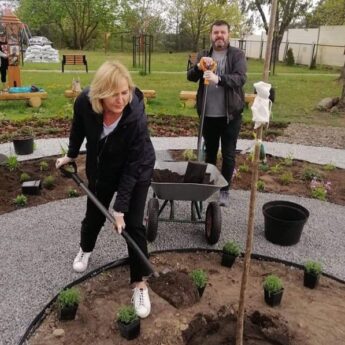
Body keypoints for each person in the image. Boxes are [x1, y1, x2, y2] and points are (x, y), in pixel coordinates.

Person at [55, 60, 155, 318]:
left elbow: (133, 166)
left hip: (137, 167)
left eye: (125, 92)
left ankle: (140, 282)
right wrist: (72, 154)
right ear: (100, 93)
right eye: (114, 94)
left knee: (133, 224)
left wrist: (120, 208)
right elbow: (78, 128)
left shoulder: (135, 116)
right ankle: (86, 249)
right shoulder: (85, 103)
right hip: (102, 166)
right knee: (94, 215)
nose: (121, 99)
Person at [187, 20, 247, 207]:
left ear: (228, 34)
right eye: (215, 32)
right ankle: (210, 185)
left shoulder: (237, 55)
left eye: (222, 32)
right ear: (211, 35)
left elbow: (240, 78)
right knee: (210, 152)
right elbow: (190, 76)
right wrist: (198, 67)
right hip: (208, 114)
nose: (219, 36)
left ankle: (225, 190)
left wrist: (218, 79)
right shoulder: (204, 54)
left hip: (230, 115)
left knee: (228, 155)